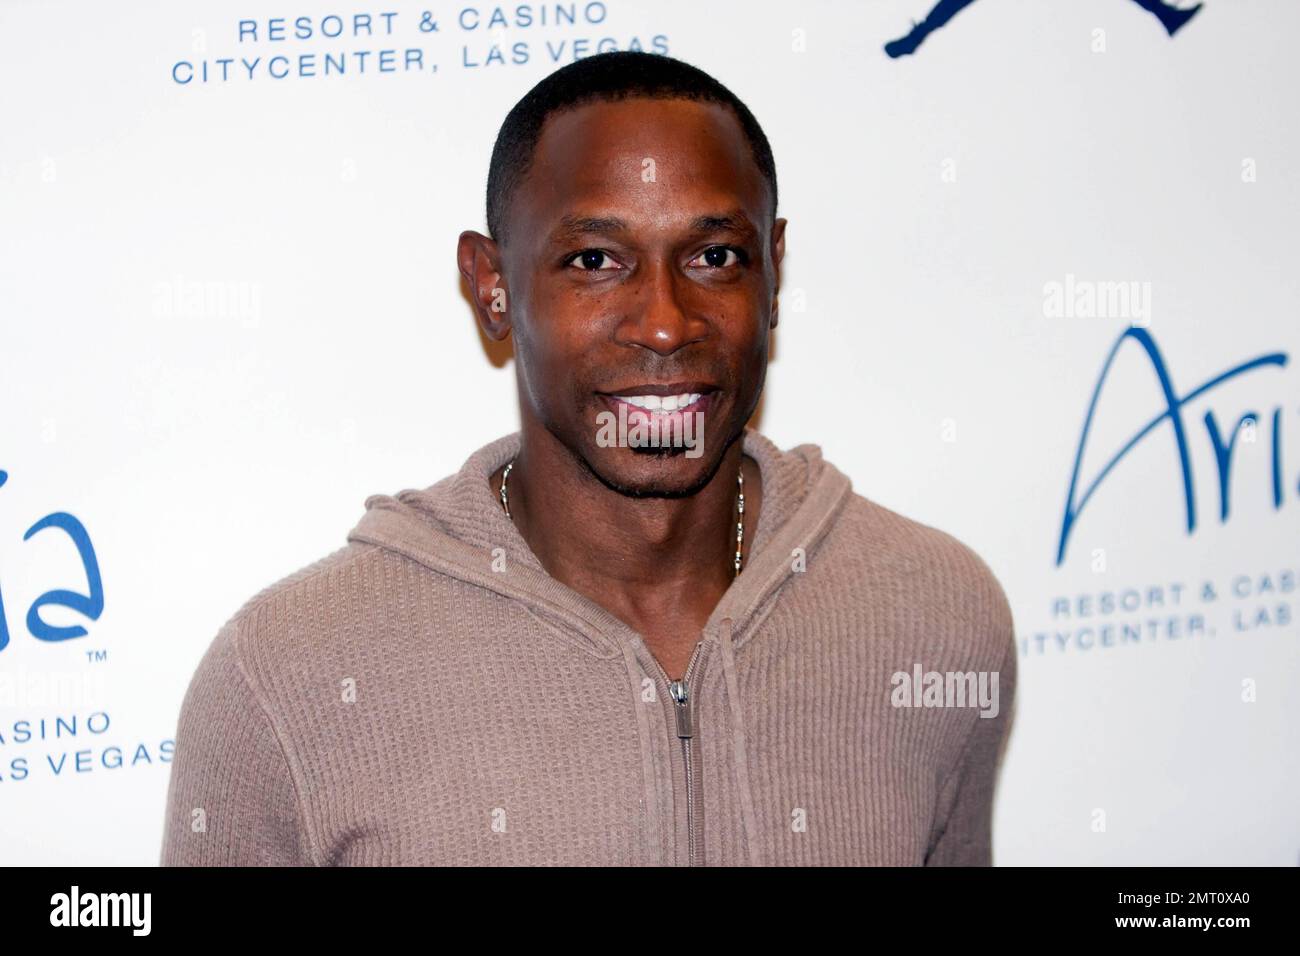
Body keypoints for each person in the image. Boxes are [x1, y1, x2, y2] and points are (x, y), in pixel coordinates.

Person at [160, 50, 1016, 866]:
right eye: (595, 260)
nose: (665, 322)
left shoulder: (937, 612)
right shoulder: (288, 676)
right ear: (493, 288)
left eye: (715, 258)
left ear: (774, 273)